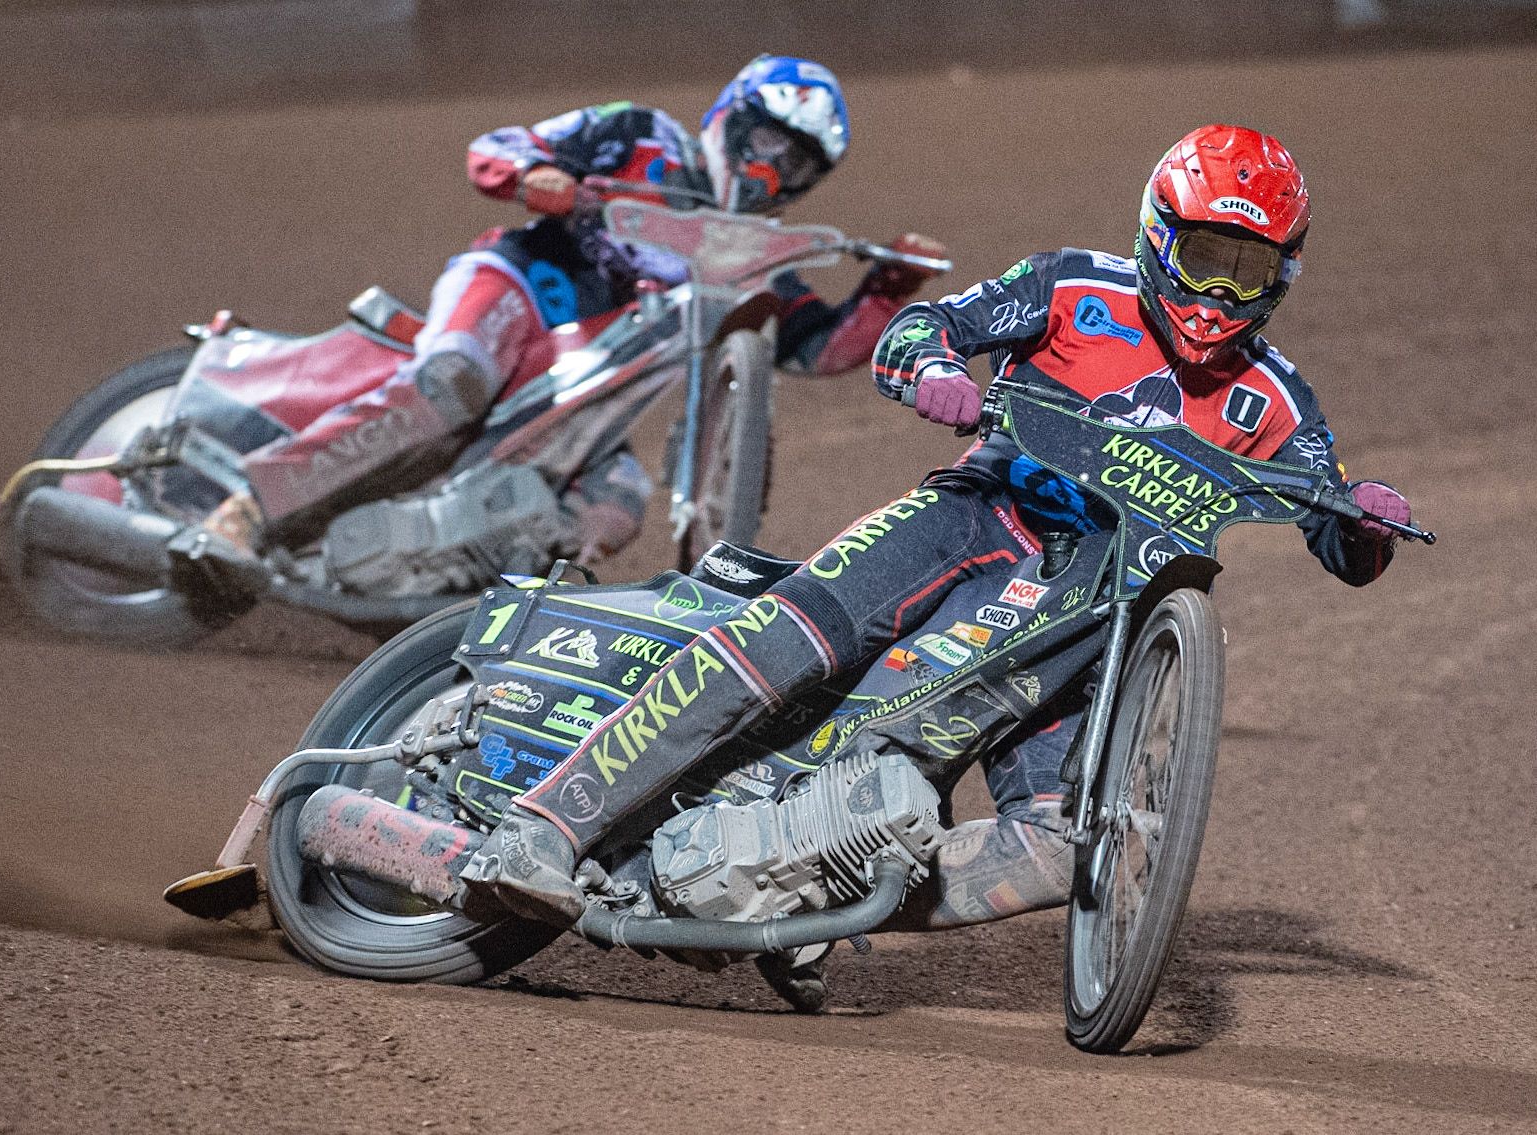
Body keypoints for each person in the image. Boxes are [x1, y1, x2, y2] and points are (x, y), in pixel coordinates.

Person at [462, 125, 1415, 977]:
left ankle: (803, 898)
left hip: (1090, 620)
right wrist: (930, 369)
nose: (1218, 289)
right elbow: (926, 328)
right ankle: (544, 825)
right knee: (785, 642)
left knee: (1057, 846)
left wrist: (1365, 516)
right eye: (1206, 254)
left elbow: (1338, 531)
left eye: (1246, 270)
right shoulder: (1073, 287)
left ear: (1281, 277)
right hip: (972, 519)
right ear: (1161, 236)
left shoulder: (1276, 399)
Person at [181, 55, 946, 575]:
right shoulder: (637, 133)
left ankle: (495, 632)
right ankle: (246, 510)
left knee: (615, 504)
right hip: (515, 291)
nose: (780, 168)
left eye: (802, 163)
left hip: (580, 388)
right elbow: (499, 147)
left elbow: (815, 349)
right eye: (778, 141)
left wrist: (888, 286)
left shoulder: (749, 255)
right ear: (738, 117)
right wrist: (536, 176)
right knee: (452, 382)